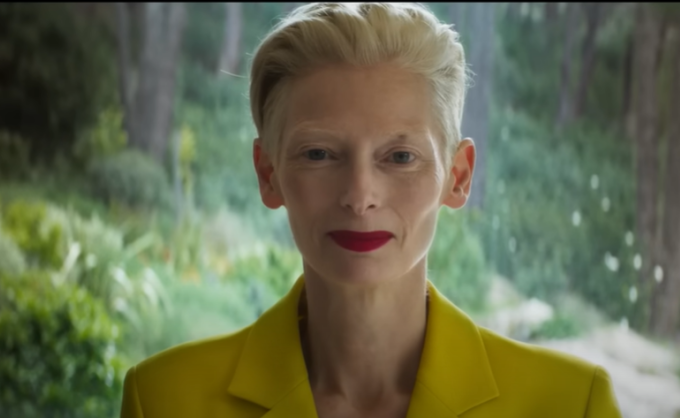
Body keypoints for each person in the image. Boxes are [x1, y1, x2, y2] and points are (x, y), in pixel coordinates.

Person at [120, 3, 623, 417]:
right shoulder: (164, 400)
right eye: (319, 154)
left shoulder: (570, 405)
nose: (359, 196)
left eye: (400, 157)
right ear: (268, 174)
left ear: (458, 176)